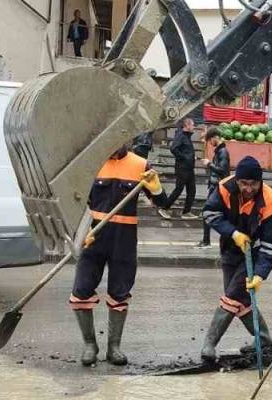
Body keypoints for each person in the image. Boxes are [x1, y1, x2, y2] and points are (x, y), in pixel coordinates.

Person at [70, 145, 167, 367]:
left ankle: (114, 347)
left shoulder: (140, 165)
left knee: (120, 293)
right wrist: (79, 231)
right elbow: (75, 202)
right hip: (93, 238)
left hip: (123, 240)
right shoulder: (91, 163)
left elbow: (163, 204)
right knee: (81, 290)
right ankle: (89, 345)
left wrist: (157, 189)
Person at [199, 156, 272, 360]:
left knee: (232, 295)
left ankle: (209, 345)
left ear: (260, 182)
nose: (248, 188)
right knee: (240, 298)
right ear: (236, 180)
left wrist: (260, 274)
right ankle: (263, 339)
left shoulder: (270, 202)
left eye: (253, 184)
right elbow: (210, 214)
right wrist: (234, 234)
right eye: (243, 183)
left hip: (254, 252)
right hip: (230, 247)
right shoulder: (224, 188)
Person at [199, 129, 232, 248]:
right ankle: (207, 240)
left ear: (215, 137)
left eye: (209, 140)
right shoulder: (219, 152)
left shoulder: (223, 152)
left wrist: (209, 164)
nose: (209, 143)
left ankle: (206, 241)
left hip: (219, 188)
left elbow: (222, 171)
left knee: (207, 213)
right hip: (216, 187)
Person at [161, 118, 197, 221]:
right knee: (179, 189)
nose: (194, 127)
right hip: (182, 168)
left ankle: (186, 212)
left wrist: (190, 157)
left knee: (192, 190)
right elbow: (173, 149)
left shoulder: (187, 136)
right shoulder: (180, 135)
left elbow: (185, 150)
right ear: (187, 125)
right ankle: (164, 208)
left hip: (189, 168)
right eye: (193, 125)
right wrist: (185, 158)